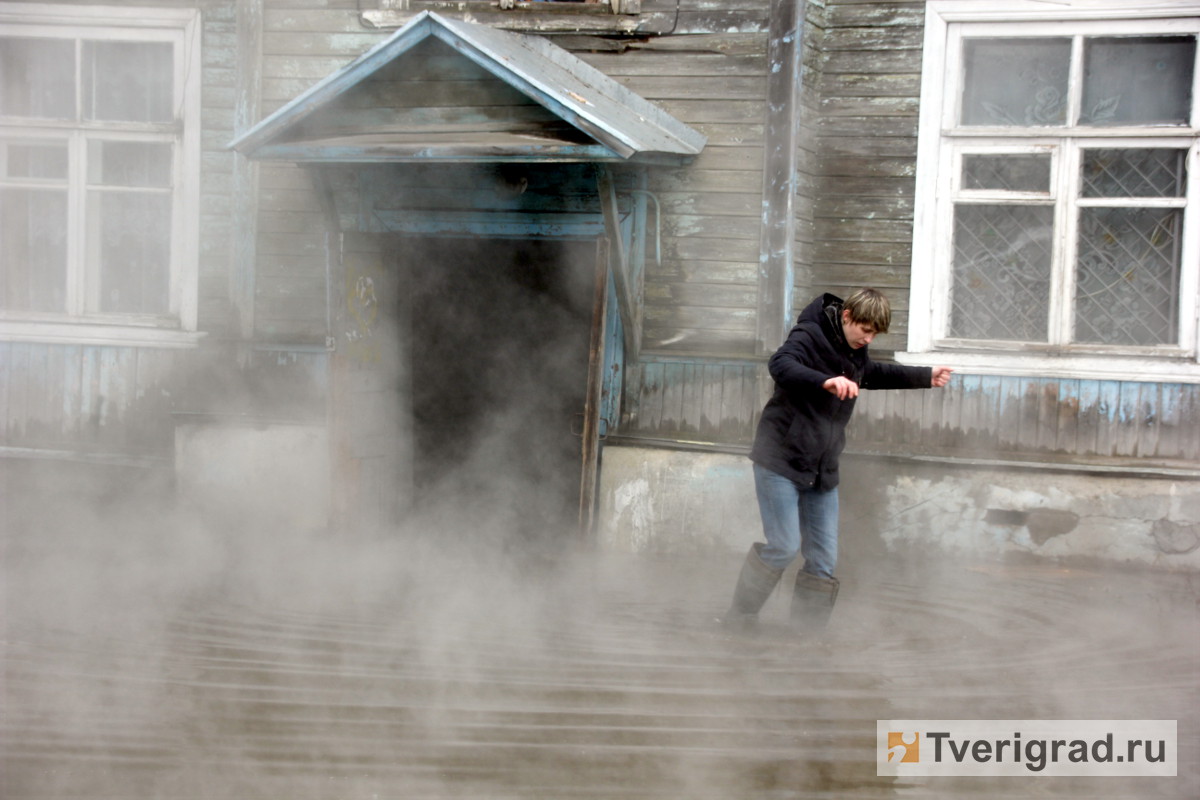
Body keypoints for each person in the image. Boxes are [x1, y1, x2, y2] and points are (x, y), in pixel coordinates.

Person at [725, 288, 952, 632]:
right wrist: (824, 381)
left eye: (875, 333)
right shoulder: (809, 334)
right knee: (784, 546)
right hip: (780, 461)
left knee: (823, 560)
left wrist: (925, 376)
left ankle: (805, 637)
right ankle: (739, 618)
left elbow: (871, 374)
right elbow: (780, 365)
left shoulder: (855, 350)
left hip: (822, 469)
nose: (869, 338)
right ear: (847, 317)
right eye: (865, 330)